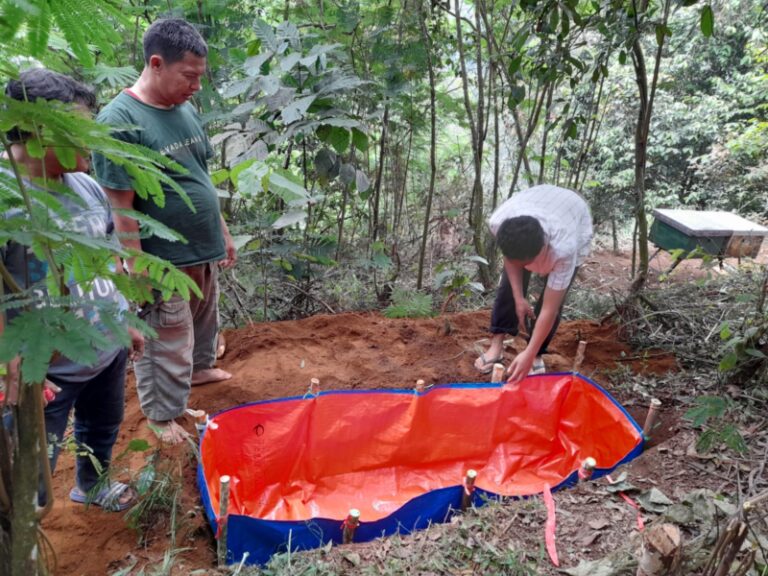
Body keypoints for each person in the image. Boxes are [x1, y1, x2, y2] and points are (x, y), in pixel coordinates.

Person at [1, 68, 143, 510]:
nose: (91, 142)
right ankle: (23, 531)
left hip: (103, 349)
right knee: (29, 472)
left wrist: (126, 322)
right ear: (43, 133)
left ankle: (93, 484)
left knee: (102, 427)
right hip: (45, 370)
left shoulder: (86, 185)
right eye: (80, 130)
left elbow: (106, 256)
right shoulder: (8, 197)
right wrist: (9, 358)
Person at [92, 18, 236, 444]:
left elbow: (201, 176)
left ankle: (201, 368)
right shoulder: (120, 120)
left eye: (200, 77)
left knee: (202, 318)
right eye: (188, 76)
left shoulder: (185, 109)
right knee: (166, 334)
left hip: (201, 247)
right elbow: (120, 205)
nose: (196, 87)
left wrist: (222, 232)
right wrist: (135, 267)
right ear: (156, 63)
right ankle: (160, 413)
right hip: (160, 258)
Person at [475, 184, 593, 384]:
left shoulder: (564, 249)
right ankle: (496, 344)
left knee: (553, 300)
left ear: (543, 249)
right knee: (507, 289)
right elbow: (511, 261)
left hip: (573, 214)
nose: (527, 267)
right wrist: (519, 297)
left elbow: (550, 308)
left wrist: (529, 353)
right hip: (539, 200)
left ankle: (536, 352)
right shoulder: (499, 223)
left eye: (528, 263)